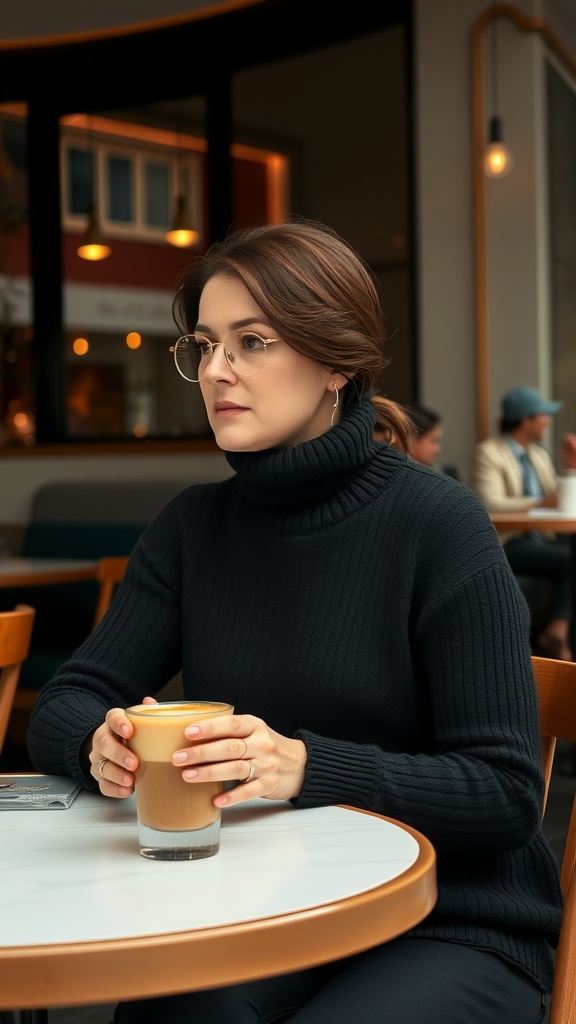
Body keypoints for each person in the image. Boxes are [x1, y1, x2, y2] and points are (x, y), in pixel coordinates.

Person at [28, 220, 560, 1024]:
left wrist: (305, 767)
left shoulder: (438, 523)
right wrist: (94, 745)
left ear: (337, 362)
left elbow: (506, 792)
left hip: (451, 916)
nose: (216, 371)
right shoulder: (192, 528)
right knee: (174, 1014)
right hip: (263, 900)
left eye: (252, 342)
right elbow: (71, 698)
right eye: (203, 345)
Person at [471, 385, 575, 662]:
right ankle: (556, 631)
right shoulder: (489, 453)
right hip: (509, 541)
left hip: (542, 538)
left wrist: (570, 465)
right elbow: (489, 503)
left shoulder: (538, 455)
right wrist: (540, 503)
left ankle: (558, 628)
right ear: (526, 419)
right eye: (544, 416)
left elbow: (559, 499)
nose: (549, 422)